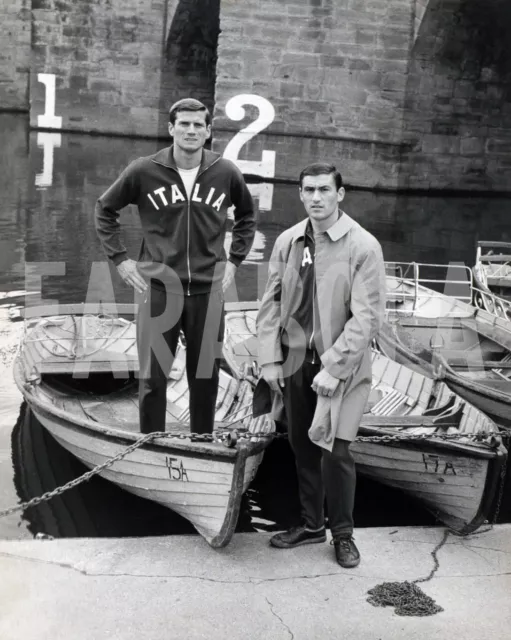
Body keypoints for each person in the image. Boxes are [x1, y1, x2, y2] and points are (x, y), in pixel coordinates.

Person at [95, 98, 255, 435]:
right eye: (184, 123)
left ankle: (201, 441)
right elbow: (104, 209)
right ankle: (150, 441)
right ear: (171, 128)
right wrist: (121, 260)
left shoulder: (225, 172)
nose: (191, 130)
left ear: (209, 131)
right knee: (153, 377)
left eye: (198, 125)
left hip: (207, 290)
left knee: (206, 375)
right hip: (158, 289)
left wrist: (235, 261)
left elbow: (247, 216)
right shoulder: (143, 170)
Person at [256, 162, 385, 568]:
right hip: (295, 361)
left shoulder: (363, 246)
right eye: (308, 190)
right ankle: (312, 526)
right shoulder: (289, 241)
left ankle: (343, 535)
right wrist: (269, 360)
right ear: (300, 193)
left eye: (324, 190)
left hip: (341, 368)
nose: (316, 198)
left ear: (340, 194)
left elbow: (367, 317)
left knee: (337, 451)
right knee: (302, 447)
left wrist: (335, 367)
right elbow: (271, 304)